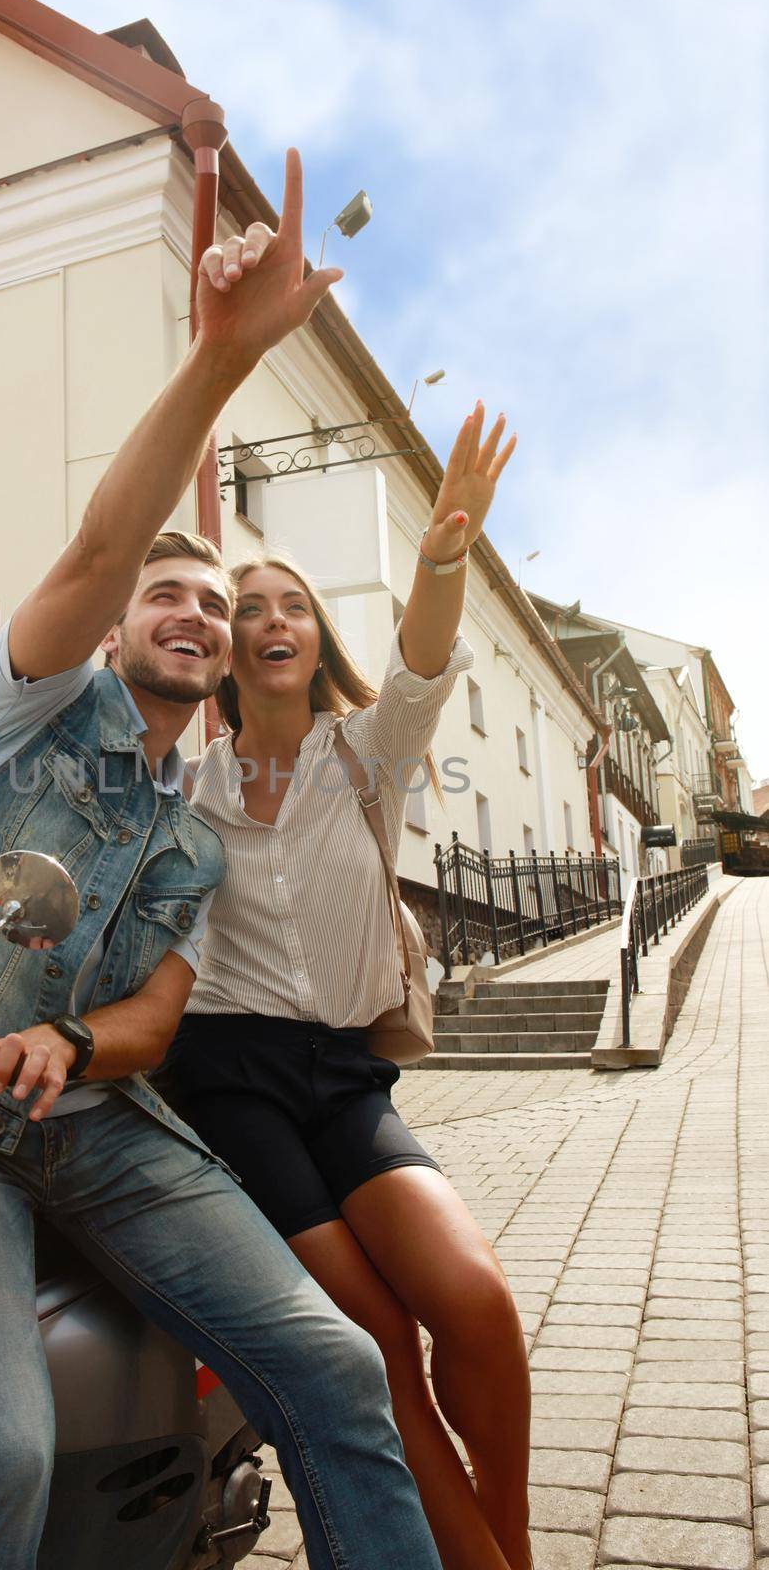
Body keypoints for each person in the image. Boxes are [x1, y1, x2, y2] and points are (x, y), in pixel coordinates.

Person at [0, 149, 444, 1570]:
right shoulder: (18, 715)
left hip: (104, 1125)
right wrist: (219, 366)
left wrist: (69, 1038)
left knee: (341, 1366)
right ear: (115, 632)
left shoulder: (191, 822)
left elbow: (155, 1018)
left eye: (212, 606)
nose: (192, 614)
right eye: (164, 598)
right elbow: (107, 536)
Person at [158, 402, 533, 1570]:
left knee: (472, 1304)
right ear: (229, 650)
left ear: (315, 639)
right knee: (374, 1340)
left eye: (293, 606)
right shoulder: (184, 791)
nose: (272, 619)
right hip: (230, 1081)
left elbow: (423, 657)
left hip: (342, 1072)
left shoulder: (365, 754)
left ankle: (505, 1540)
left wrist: (439, 556)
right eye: (250, 608)